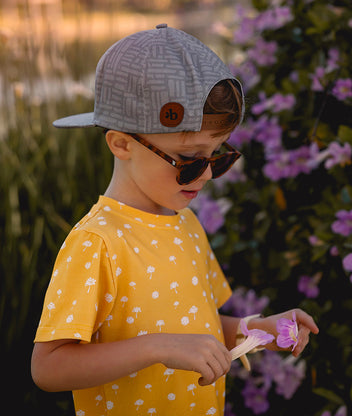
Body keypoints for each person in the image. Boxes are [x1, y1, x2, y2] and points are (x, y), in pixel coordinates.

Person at [31, 24, 319, 416]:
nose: (205, 175)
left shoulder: (185, 223)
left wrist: (259, 331)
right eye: (189, 160)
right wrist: (156, 347)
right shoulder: (97, 242)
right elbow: (49, 367)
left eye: (218, 156)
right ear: (121, 144)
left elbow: (198, 325)